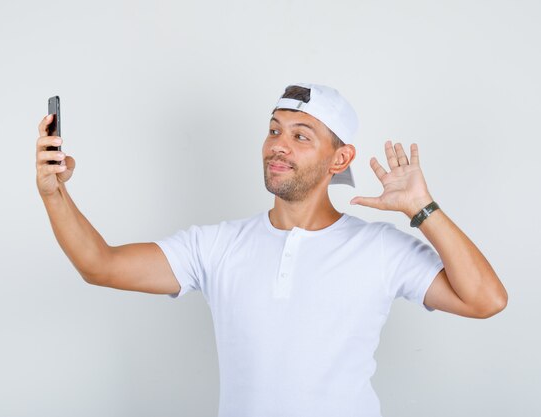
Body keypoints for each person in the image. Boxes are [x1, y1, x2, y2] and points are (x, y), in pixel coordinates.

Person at [35, 83, 508, 417]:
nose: (278, 146)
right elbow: (100, 265)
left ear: (339, 159)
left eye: (301, 135)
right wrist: (54, 194)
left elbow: (486, 300)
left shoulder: (378, 248)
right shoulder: (216, 245)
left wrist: (421, 209)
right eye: (274, 130)